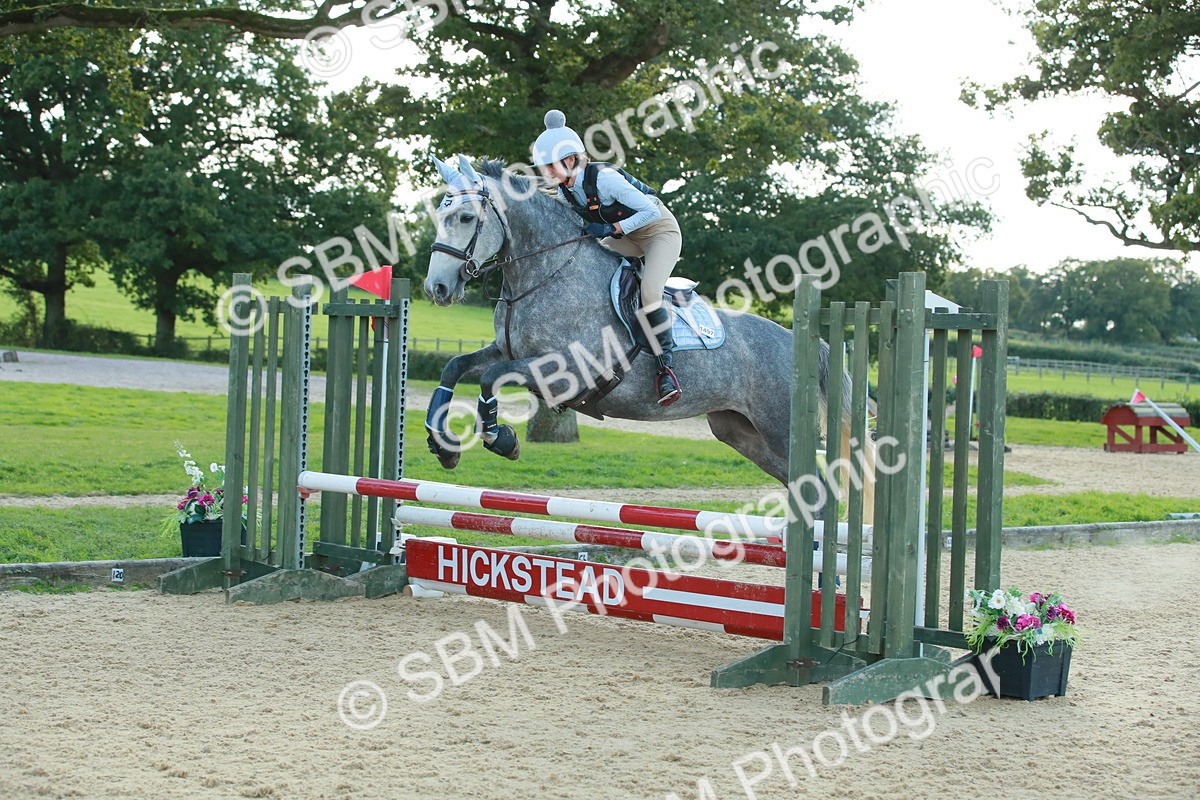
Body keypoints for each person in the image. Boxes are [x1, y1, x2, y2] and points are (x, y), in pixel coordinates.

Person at [530, 109, 683, 406]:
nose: (547, 172)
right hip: (624, 239)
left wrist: (612, 227)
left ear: (571, 159)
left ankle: (666, 369)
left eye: (551, 165)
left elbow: (651, 210)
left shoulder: (606, 179)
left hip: (659, 233)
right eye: (543, 166)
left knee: (650, 292)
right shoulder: (565, 191)